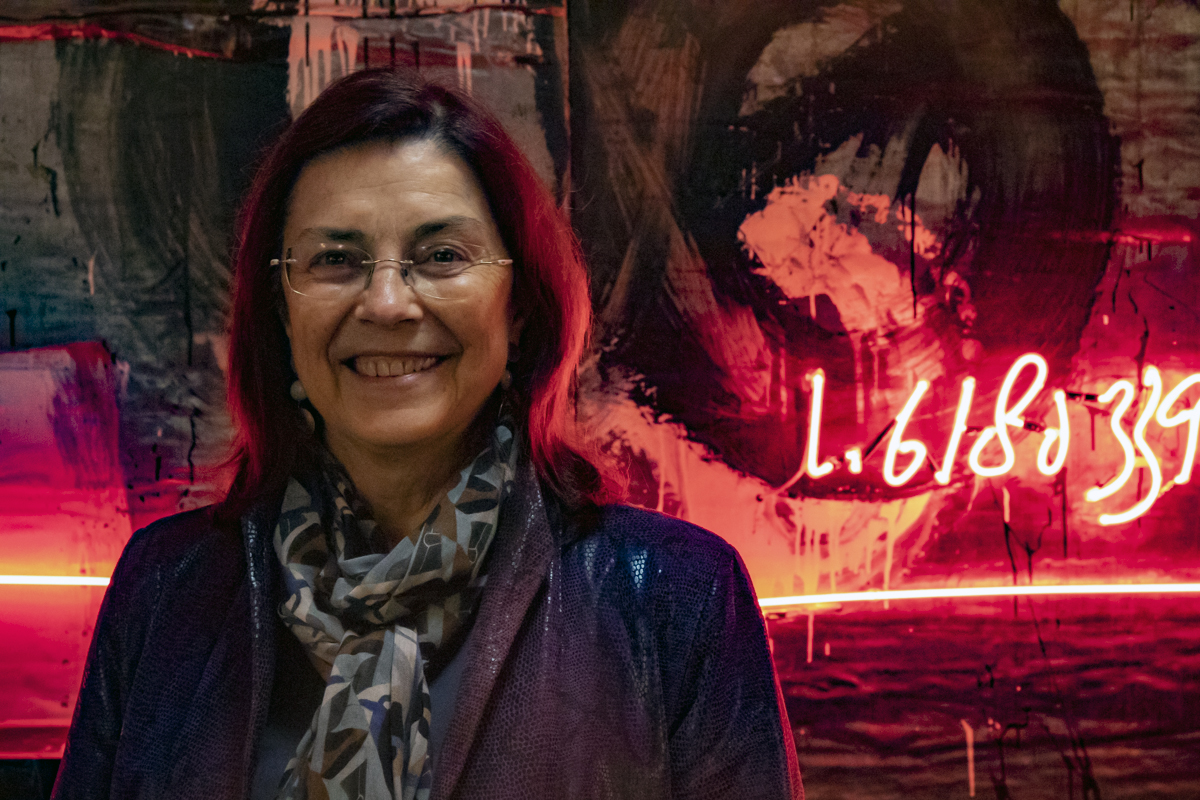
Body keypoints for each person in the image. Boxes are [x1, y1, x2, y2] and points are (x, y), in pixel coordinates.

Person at [51, 69, 802, 800]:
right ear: (281, 312)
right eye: (335, 260)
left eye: (442, 257)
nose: (386, 303)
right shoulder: (164, 593)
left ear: (518, 305)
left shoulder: (676, 603)